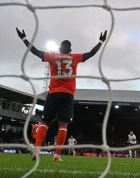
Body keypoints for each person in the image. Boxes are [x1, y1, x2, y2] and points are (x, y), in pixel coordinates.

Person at [16, 28, 107, 162]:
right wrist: (100, 41)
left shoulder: (52, 56)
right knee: (63, 125)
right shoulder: (75, 57)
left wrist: (24, 38)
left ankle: (36, 149)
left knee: (45, 122)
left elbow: (34, 51)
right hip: (68, 95)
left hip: (53, 93)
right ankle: (57, 155)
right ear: (70, 50)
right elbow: (90, 54)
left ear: (59, 49)